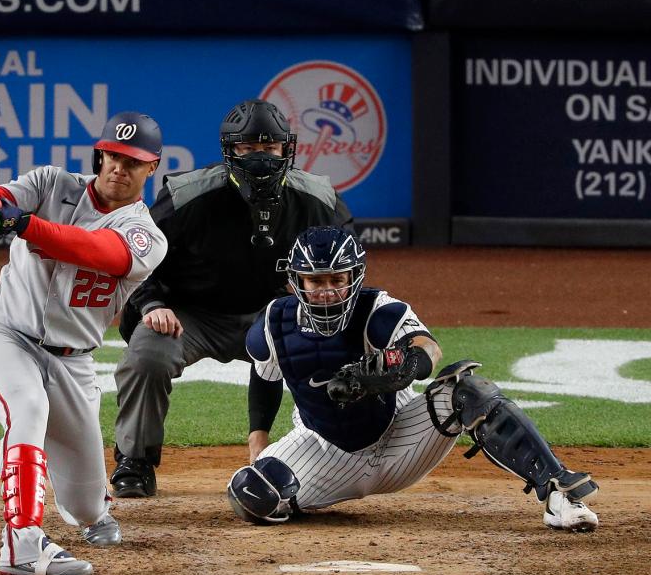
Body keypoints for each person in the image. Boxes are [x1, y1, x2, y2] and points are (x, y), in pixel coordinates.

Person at [227, 226, 599, 532]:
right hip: (323, 450)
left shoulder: (378, 309)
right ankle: (303, 498)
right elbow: (264, 376)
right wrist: (257, 441)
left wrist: (400, 369)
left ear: (355, 277)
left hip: (401, 436)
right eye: (316, 281)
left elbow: (427, 348)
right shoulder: (274, 325)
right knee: (251, 492)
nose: (327, 291)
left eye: (337, 279)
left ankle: (559, 494)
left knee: (469, 391)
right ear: (297, 283)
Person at [0, 111, 168, 575]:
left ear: (151, 167)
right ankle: (22, 544)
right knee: (25, 406)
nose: (119, 167)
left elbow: (98, 251)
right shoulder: (52, 183)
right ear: (100, 154)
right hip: (3, 335)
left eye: (133, 161)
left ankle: (94, 510)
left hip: (73, 364)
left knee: (86, 503)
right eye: (113, 155)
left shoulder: (147, 235)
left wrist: (25, 225)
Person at [110, 98, 355, 498]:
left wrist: (319, 302)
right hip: (188, 314)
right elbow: (137, 254)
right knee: (146, 357)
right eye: (247, 149)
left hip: (272, 313)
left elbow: (349, 261)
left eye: (270, 148)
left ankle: (339, 455)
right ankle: (134, 460)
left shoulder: (317, 200)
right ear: (230, 152)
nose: (260, 158)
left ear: (286, 150)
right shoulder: (189, 195)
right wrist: (153, 305)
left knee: (334, 351)